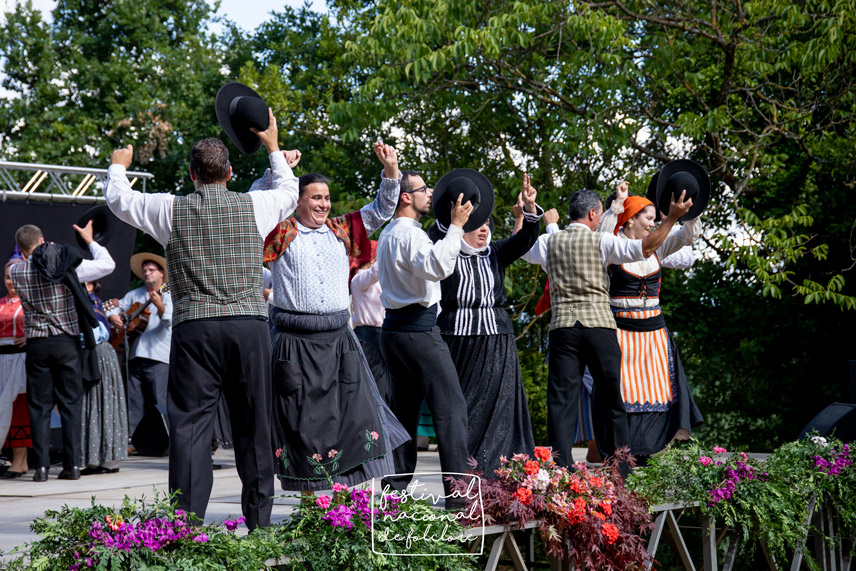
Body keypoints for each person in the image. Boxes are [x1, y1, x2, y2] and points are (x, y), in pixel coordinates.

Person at [102, 108, 299, 528]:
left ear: (192, 174)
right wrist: (273, 146)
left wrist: (118, 167)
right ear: (229, 172)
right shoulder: (255, 205)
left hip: (195, 330)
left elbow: (119, 200)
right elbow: (288, 192)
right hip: (249, 327)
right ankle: (261, 527)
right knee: (254, 427)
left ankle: (185, 528)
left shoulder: (169, 210)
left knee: (190, 429)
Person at [260, 141, 408, 491]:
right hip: (295, 344)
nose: (323, 204)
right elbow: (257, 206)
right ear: (297, 200)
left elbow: (382, 209)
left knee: (351, 420)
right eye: (315, 198)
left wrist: (390, 171)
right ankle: (313, 503)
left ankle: (341, 505)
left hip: (340, 342)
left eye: (326, 198)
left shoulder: (342, 231)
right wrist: (275, 169)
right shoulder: (281, 232)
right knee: (304, 426)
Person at [522, 187, 692, 472]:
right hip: (600, 327)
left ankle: (562, 467)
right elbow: (645, 248)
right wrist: (671, 219)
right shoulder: (603, 243)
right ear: (592, 214)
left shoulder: (549, 242)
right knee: (613, 398)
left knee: (561, 400)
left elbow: (523, 249)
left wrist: (528, 214)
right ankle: (621, 467)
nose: (602, 218)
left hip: (563, 328)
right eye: (601, 212)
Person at [429, 173, 541, 476]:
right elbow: (436, 231)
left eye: (488, 223)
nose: (484, 228)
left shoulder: (496, 252)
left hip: (497, 339)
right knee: (462, 410)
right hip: (457, 339)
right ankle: (465, 477)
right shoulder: (444, 247)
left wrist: (530, 211)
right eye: (477, 223)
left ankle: (497, 479)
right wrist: (453, 216)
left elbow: (526, 239)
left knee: (501, 410)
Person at [376, 170, 473, 505]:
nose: (430, 194)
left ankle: (393, 498)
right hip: (419, 332)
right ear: (406, 197)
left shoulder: (388, 233)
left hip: (393, 333)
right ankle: (460, 502)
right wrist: (458, 226)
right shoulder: (411, 236)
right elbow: (438, 267)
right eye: (422, 189)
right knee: (451, 409)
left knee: (403, 416)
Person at [599, 184, 703, 459]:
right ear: (630, 219)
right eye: (648, 217)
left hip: (654, 330)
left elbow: (689, 236)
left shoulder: (659, 244)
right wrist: (616, 206)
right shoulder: (614, 245)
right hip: (621, 329)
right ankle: (623, 452)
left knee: (658, 387)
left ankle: (651, 450)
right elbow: (599, 237)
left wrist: (691, 209)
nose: (653, 222)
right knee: (624, 391)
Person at [9, 221, 116, 481]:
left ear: (22, 250)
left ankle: (42, 468)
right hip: (66, 341)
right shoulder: (64, 265)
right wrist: (89, 240)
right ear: (43, 239)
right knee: (70, 404)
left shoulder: (17, 272)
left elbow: (22, 265)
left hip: (36, 343)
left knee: (39, 406)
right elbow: (107, 265)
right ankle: (72, 466)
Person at [107, 253, 171, 442]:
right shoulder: (134, 295)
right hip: (135, 353)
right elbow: (112, 308)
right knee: (135, 399)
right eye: (145, 271)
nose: (147, 273)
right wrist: (114, 317)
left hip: (159, 354)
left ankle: (168, 437)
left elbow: (169, 321)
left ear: (161, 274)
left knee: (160, 400)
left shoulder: (168, 295)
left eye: (151, 270)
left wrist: (160, 307)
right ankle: (135, 439)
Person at [80, 280, 129, 474]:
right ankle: (95, 458)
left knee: (103, 402)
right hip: (92, 354)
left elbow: (96, 333)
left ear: (90, 286)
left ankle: (108, 460)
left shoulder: (91, 303)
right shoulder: (87, 301)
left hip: (97, 354)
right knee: (93, 404)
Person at [349, 243, 392, 403]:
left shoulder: (383, 281)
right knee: (375, 393)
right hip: (367, 341)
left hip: (385, 340)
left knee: (387, 392)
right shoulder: (359, 279)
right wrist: (392, 248)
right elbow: (375, 273)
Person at [1, 259, 30, 479]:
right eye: (7, 277)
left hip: (20, 358)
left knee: (19, 407)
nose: (11, 281)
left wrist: (30, 336)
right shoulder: (1, 303)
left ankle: (21, 461)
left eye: (14, 276)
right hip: (2, 360)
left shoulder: (31, 302)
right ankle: (10, 458)